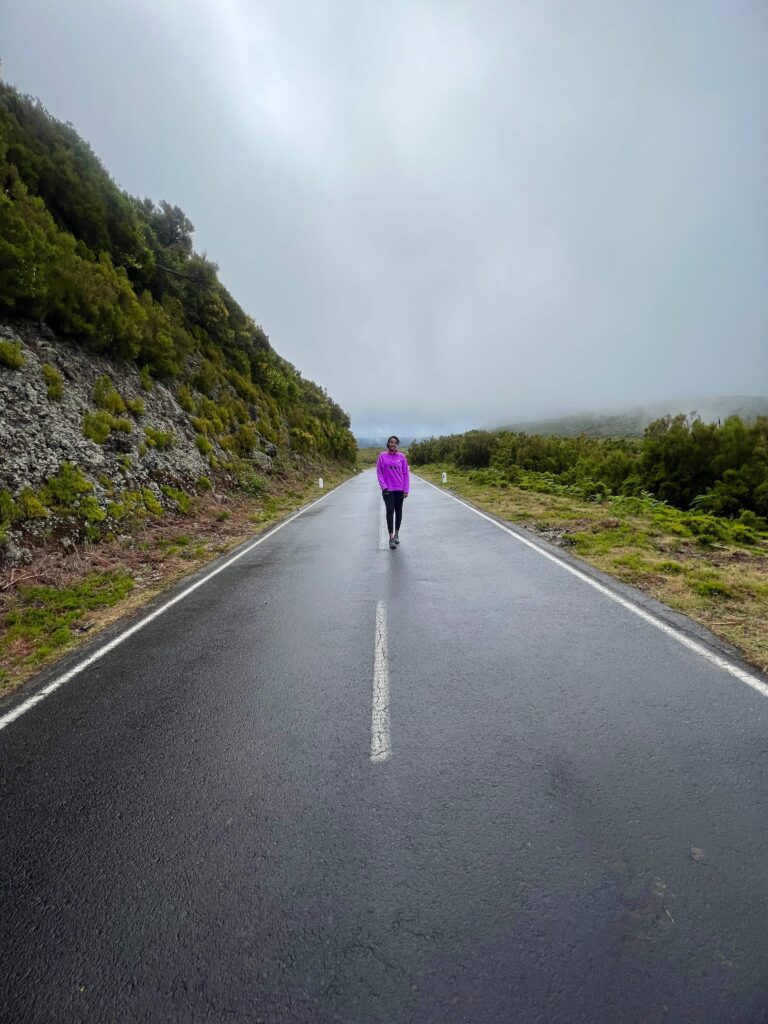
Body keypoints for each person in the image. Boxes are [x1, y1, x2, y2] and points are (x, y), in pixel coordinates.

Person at [376, 435, 409, 550]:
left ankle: (396, 534)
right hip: (388, 490)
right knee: (390, 511)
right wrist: (383, 486)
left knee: (398, 512)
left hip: (400, 490)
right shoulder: (382, 456)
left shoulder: (402, 457)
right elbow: (379, 472)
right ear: (388, 443)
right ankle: (390, 538)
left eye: (395, 443)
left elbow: (405, 474)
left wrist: (406, 489)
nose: (393, 444)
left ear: (397, 444)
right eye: (391, 442)